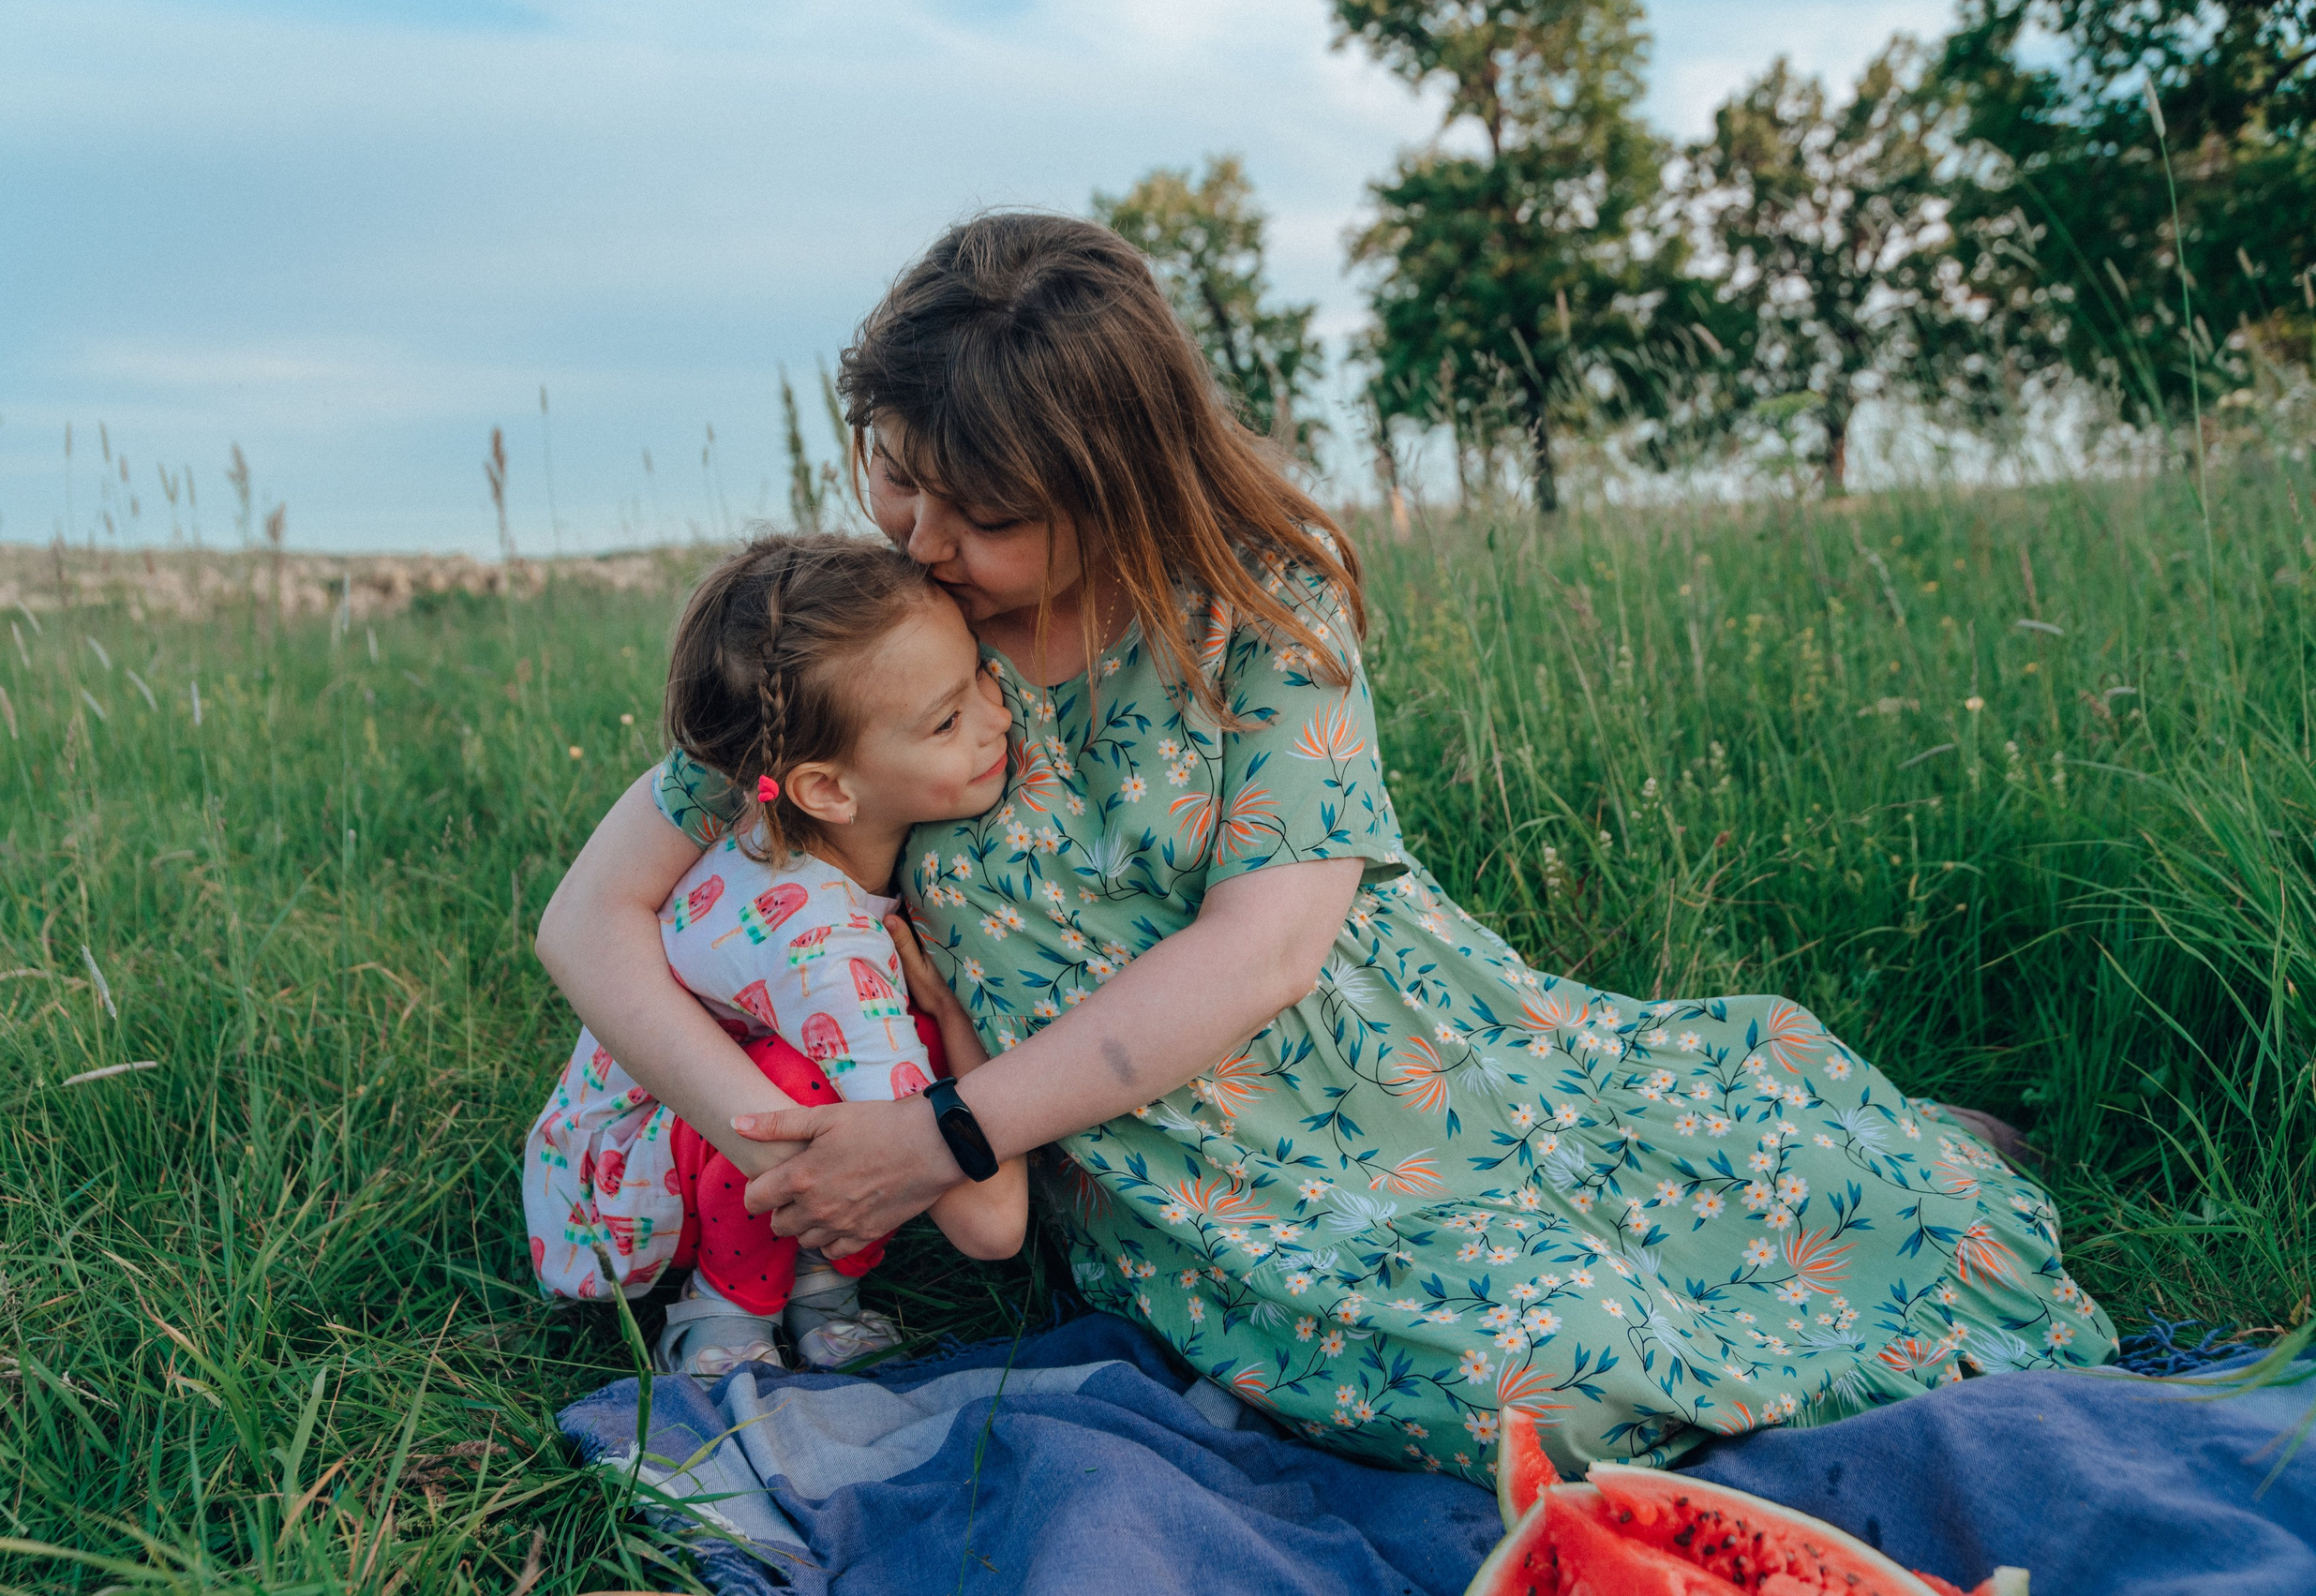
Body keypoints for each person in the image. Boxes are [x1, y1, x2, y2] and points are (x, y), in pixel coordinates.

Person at [536, 213, 2114, 1480]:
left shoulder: (1255, 609)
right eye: (895, 470)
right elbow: (593, 917)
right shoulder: (877, 623)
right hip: (1191, 1167)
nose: (923, 534)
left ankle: (1893, 1149)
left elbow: (1267, 944)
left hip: (1396, 1052)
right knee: (1538, 1377)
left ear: (1114, 478)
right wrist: (782, 1139)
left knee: (1812, 1171)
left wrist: (941, 1132)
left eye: (982, 509)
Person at [524, 534, 1025, 1379]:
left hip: (619, 1139)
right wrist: (946, 1015)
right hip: (617, 1195)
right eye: (948, 720)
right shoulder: (827, 949)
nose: (998, 715)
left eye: (980, 674)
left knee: (853, 1077)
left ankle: (803, 1281)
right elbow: (994, 1224)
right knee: (828, 1086)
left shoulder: (763, 822)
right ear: (827, 789)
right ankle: (728, 1307)